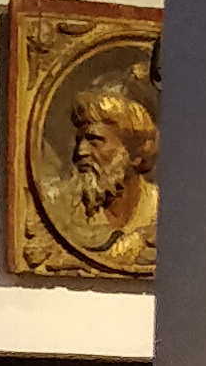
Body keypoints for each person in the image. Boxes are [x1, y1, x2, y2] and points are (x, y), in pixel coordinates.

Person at [66, 79, 159, 261]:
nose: (80, 151)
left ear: (135, 153)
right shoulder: (64, 210)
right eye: (79, 140)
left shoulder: (162, 211)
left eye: (94, 140)